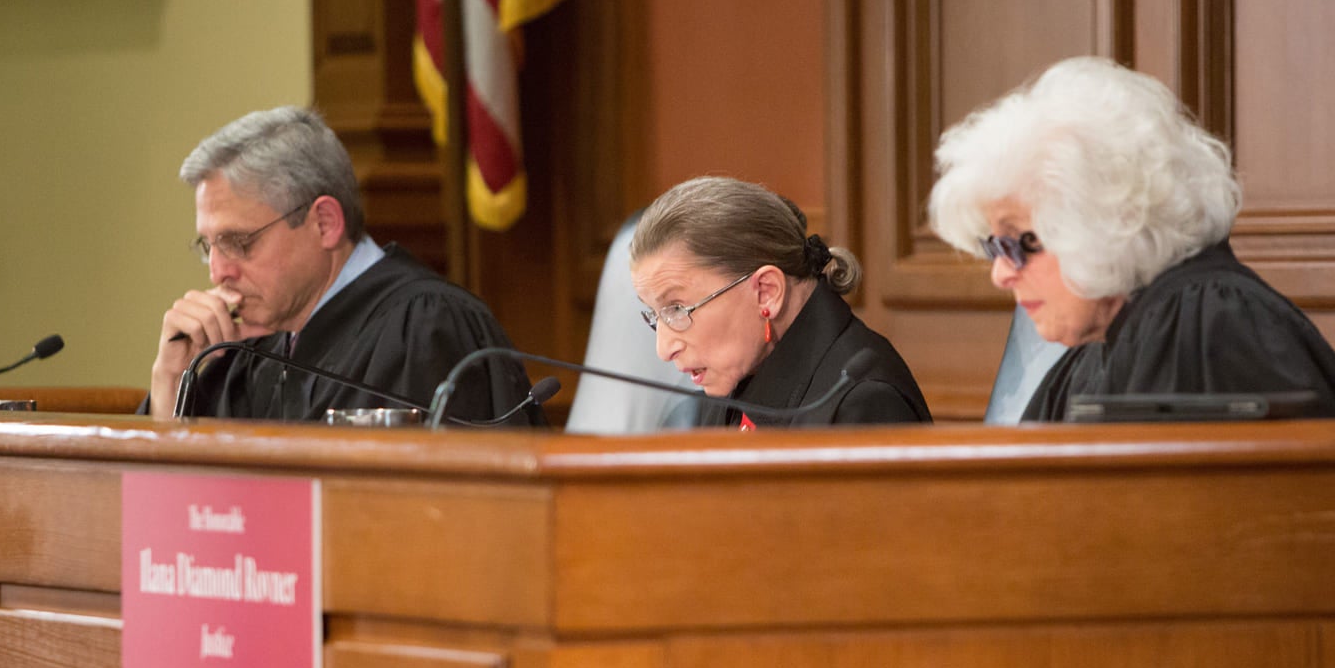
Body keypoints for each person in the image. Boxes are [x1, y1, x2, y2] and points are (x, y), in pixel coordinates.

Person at [927, 56, 1335, 422]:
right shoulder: (1093, 351)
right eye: (993, 248)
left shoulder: (1204, 324)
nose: (1001, 274)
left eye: (1017, 243)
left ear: (1107, 216)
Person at [147, 107, 536, 424]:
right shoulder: (247, 348)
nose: (218, 273)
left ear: (325, 223)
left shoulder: (424, 328)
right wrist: (170, 381)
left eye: (239, 243)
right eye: (208, 246)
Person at [629, 176, 931, 428]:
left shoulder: (864, 404)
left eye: (678, 309)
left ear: (767, 292)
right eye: (656, 315)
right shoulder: (735, 373)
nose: (664, 349)